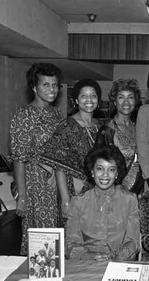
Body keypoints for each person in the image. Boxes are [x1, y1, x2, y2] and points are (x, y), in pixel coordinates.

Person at [9, 62, 64, 255]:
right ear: (34, 86)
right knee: (43, 241)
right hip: (37, 186)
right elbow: (19, 158)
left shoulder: (56, 114)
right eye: (46, 85)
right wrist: (22, 197)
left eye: (55, 85)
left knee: (58, 234)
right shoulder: (24, 116)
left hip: (59, 183)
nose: (52, 89)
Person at [41, 79, 103, 219]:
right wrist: (65, 200)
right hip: (74, 191)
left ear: (98, 101)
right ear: (76, 101)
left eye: (93, 96)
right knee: (75, 236)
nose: (89, 100)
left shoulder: (100, 126)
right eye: (83, 96)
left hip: (98, 190)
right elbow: (59, 165)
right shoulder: (66, 126)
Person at [65, 145, 140, 261]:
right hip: (86, 265)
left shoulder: (130, 200)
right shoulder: (78, 202)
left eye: (111, 170)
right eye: (100, 168)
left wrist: (118, 258)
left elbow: (132, 241)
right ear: (92, 172)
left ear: (117, 174)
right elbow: (71, 243)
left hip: (120, 263)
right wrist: (88, 257)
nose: (105, 175)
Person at [95, 78, 144, 194]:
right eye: (121, 97)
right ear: (115, 102)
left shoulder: (140, 128)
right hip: (115, 194)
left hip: (139, 192)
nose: (126, 102)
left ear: (136, 102)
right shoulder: (107, 130)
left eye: (130, 97)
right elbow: (99, 165)